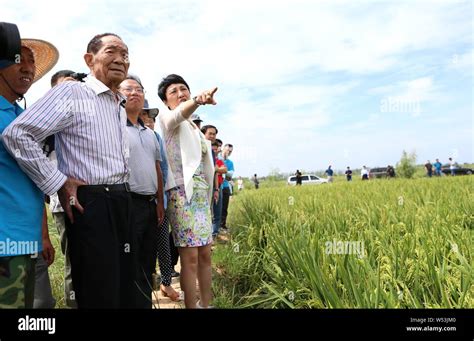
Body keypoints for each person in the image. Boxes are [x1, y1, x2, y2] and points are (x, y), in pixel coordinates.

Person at [3, 33, 136, 308]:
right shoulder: (73, 92)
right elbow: (18, 135)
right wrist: (59, 182)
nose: (120, 60)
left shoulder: (118, 105)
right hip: (92, 204)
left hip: (122, 200)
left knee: (123, 288)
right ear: (89, 59)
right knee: (99, 292)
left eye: (125, 54)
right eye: (112, 51)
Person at [0, 22, 58, 308]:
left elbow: (32, 183)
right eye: (18, 59)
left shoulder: (25, 117)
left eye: (32, 61)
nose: (27, 67)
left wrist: (42, 235)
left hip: (27, 242)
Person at [157, 74, 217, 308]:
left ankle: (206, 304)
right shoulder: (166, 119)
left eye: (184, 88)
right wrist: (198, 101)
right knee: (189, 258)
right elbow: (176, 117)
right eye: (174, 91)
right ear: (165, 100)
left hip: (200, 197)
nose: (181, 93)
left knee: (205, 254)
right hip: (181, 195)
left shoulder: (194, 127)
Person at [34, 70, 81, 310]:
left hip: (92, 200)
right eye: (64, 88)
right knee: (74, 260)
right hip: (63, 204)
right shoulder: (46, 125)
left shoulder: (84, 121)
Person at [119, 75, 166, 308]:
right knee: (129, 260)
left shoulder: (150, 134)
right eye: (128, 89)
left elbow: (157, 168)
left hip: (149, 205)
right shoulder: (113, 127)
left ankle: (145, 303)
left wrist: (159, 203)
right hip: (127, 203)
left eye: (139, 89)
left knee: (148, 260)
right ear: (117, 94)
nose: (135, 92)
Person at [139, 100, 181, 299]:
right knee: (138, 247)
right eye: (144, 115)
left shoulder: (156, 138)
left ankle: (165, 282)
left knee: (163, 243)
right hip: (134, 200)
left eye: (151, 117)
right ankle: (143, 287)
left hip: (157, 200)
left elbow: (163, 169)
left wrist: (161, 200)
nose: (148, 120)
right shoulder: (123, 133)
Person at [201, 125, 227, 237]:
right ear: (203, 134)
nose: (212, 136)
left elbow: (215, 172)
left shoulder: (211, 151)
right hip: (198, 187)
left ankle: (210, 236)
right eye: (209, 133)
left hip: (210, 187)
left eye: (214, 134)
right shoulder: (198, 146)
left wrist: (216, 188)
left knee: (210, 212)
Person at [220, 144, 234, 231]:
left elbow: (229, 176)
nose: (228, 152)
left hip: (225, 186)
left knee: (224, 207)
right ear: (223, 149)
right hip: (216, 186)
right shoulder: (217, 159)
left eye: (230, 151)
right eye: (227, 150)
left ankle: (222, 225)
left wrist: (222, 171)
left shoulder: (230, 163)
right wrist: (225, 171)